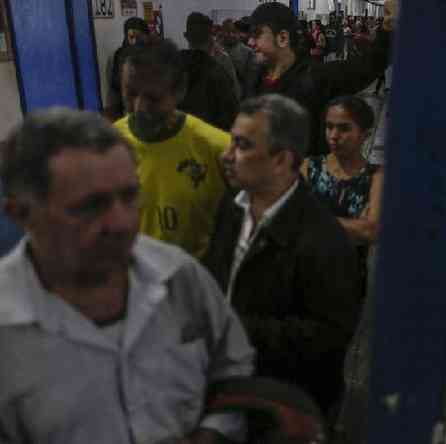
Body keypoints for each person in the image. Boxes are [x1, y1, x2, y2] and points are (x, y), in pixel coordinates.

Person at [0, 108, 255, 443]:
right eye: (90, 205)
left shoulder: (179, 276)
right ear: (21, 214)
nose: (121, 222)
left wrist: (212, 433)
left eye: (130, 195)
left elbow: (234, 368)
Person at [204, 94, 361, 415]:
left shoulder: (323, 239)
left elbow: (328, 338)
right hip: (225, 385)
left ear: (281, 160)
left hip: (282, 406)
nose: (226, 155)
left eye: (242, 146)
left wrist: (232, 327)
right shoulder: (232, 208)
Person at [116, 40, 230, 260]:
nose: (139, 107)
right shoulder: (108, 146)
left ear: (180, 90)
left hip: (197, 284)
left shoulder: (217, 148)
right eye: (130, 94)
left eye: (153, 97)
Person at [242, 1, 396, 156]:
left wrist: (388, 28)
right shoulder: (255, 78)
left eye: (257, 34)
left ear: (282, 38)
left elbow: (369, 65)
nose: (250, 42)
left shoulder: (315, 77)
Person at [302, 96, 383, 245]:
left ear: (365, 134)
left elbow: (371, 231)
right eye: (329, 127)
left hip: (349, 266)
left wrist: (312, 217)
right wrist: (354, 226)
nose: (333, 136)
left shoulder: (376, 177)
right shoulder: (308, 167)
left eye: (344, 128)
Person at [180, 12, 240, 130]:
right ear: (211, 37)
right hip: (215, 132)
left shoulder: (174, 65)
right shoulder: (222, 61)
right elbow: (234, 97)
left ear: (185, 36)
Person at [107, 17, 149, 120]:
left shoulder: (154, 54)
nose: (134, 41)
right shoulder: (117, 56)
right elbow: (113, 88)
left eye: (138, 36)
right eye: (131, 36)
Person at [219, 19, 256, 91]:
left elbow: (250, 82)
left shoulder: (248, 53)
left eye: (234, 32)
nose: (231, 35)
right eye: (227, 31)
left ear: (239, 33)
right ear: (222, 31)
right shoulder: (214, 50)